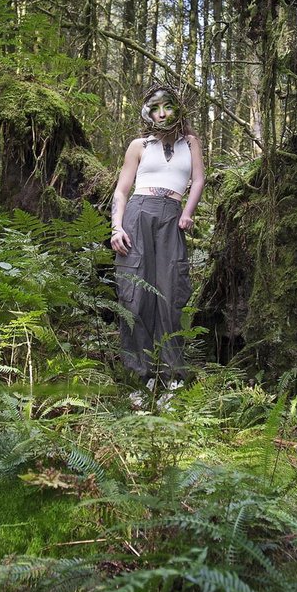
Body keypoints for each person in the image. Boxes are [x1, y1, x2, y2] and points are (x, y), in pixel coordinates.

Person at [110, 84, 205, 396]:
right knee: (134, 296)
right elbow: (122, 190)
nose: (161, 113)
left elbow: (199, 179)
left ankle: (172, 378)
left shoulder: (190, 143)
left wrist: (188, 213)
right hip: (137, 215)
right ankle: (139, 378)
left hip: (171, 218)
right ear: (147, 112)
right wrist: (116, 227)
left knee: (171, 296)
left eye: (167, 106)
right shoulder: (139, 145)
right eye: (155, 108)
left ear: (178, 108)